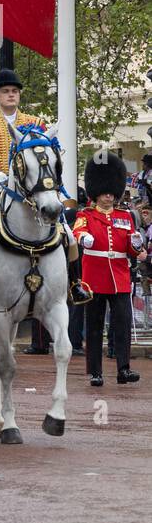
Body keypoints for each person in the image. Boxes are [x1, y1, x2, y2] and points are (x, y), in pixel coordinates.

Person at [73, 153, 142, 386]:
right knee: (94, 326)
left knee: (121, 324)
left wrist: (135, 246)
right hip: (95, 276)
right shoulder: (86, 215)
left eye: (112, 193)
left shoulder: (125, 217)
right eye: (105, 193)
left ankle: (123, 368)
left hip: (120, 275)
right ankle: (95, 372)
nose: (109, 197)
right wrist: (84, 239)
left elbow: (131, 248)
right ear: (96, 194)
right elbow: (78, 232)